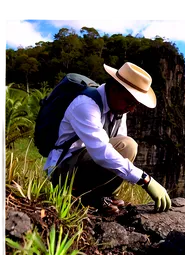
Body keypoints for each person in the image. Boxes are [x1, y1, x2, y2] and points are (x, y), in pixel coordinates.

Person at [44, 62, 172, 215]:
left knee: (127, 146)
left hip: (84, 165)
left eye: (135, 104)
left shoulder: (118, 109)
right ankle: (83, 197)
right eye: (129, 102)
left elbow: (118, 146)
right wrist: (145, 180)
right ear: (114, 88)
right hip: (63, 171)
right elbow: (101, 152)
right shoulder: (85, 105)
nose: (131, 109)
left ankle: (98, 196)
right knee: (126, 146)